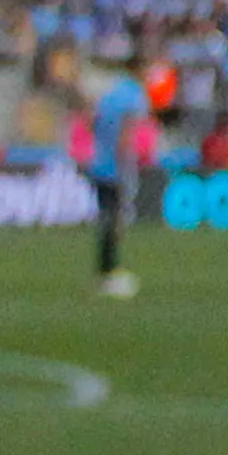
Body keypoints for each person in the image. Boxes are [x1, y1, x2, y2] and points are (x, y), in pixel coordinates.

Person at [82, 62, 154, 299]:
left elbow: (92, 121)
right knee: (115, 220)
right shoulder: (133, 96)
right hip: (115, 167)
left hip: (98, 162)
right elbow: (126, 134)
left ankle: (104, 271)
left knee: (107, 219)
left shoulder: (110, 93)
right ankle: (109, 272)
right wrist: (125, 164)